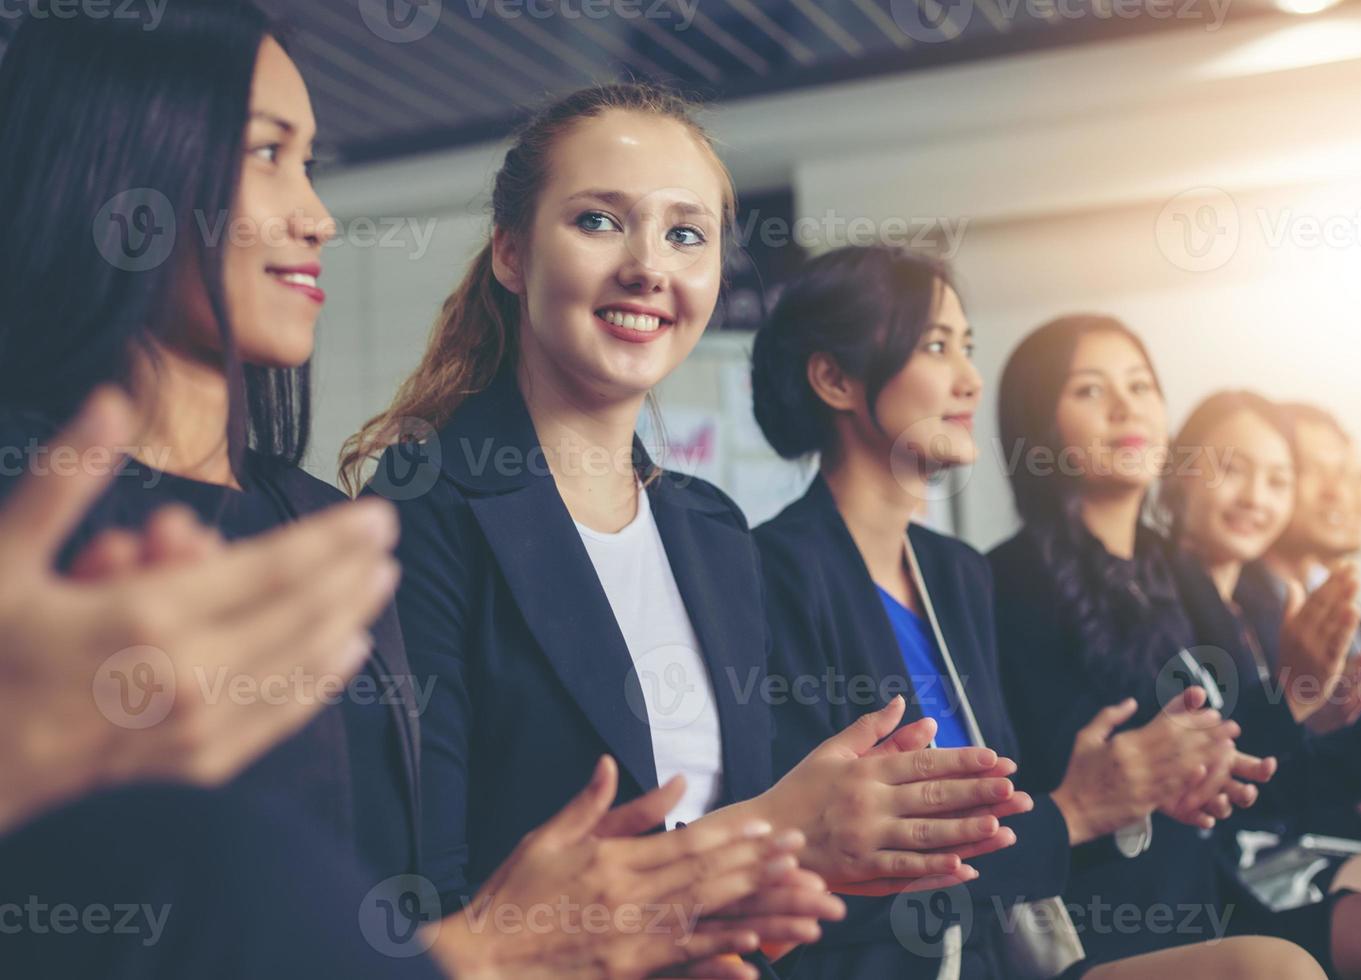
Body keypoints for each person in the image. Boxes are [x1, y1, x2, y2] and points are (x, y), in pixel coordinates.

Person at [0, 7, 821, 978]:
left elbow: (361, 892)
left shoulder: (318, 525)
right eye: (268, 154)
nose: (319, 216)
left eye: (689, 233)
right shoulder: (409, 511)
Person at [340, 86, 1018, 958]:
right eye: (597, 221)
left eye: (685, 234)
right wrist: (778, 829)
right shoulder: (421, 509)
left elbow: (752, 885)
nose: (648, 266)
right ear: (511, 252)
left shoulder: (711, 530)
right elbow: (416, 895)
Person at [746, 246, 1319, 980]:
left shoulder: (954, 573)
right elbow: (815, 874)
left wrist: (1132, 791)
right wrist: (1077, 809)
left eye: (968, 347)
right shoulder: (775, 573)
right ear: (833, 378)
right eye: (936, 345)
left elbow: (1013, 820)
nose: (969, 379)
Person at [987, 314, 1361, 977]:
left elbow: (1254, 772)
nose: (1127, 405)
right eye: (1090, 390)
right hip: (1108, 920)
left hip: (1209, 901)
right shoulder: (1007, 582)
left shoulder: (1179, 577)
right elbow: (1061, 792)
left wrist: (1329, 703)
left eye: (1141, 385)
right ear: (1038, 422)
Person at [1160, 390, 1361, 933]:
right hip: (1240, 862)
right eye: (1233, 469)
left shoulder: (1254, 606)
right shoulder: (1187, 605)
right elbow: (1256, 770)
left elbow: (1285, 750)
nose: (1257, 496)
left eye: (1278, 479)